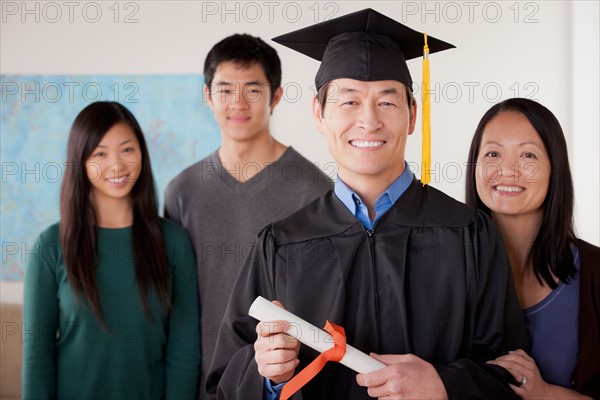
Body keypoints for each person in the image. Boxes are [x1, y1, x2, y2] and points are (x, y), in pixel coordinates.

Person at [206, 8, 529, 399]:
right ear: (318, 114)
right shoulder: (280, 244)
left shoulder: (468, 233)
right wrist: (268, 378)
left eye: (387, 103)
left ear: (412, 114)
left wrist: (444, 385)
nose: (369, 121)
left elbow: (512, 373)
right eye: (349, 102)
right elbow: (222, 382)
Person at [164, 34, 333, 398]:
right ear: (207, 96)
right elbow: (176, 306)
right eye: (225, 90)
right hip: (201, 384)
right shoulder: (182, 192)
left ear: (275, 96)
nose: (237, 103)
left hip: (286, 384)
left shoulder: (315, 191)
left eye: (253, 90)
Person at [22, 101, 201, 399]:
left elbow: (184, 348)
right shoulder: (51, 245)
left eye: (127, 149)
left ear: (142, 153)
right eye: (100, 154)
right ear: (80, 160)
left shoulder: (173, 241)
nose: (117, 165)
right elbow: (37, 355)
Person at [465, 98, 599, 399]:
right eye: (493, 153)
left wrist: (545, 393)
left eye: (527, 154)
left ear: (555, 168)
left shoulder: (595, 273)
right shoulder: (444, 270)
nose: (508, 170)